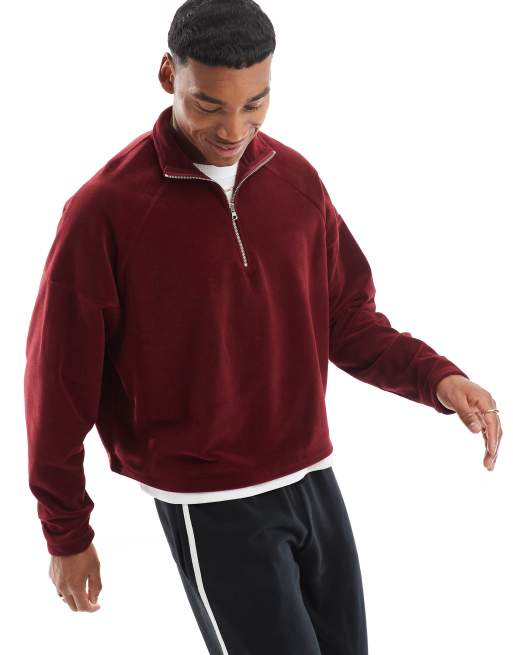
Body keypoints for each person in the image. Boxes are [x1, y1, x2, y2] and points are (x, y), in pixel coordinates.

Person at [24, 0, 502, 652]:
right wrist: (66, 531)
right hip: (211, 501)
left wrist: (438, 379)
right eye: (209, 105)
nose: (233, 128)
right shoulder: (103, 212)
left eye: (255, 103)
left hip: (312, 476)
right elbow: (57, 383)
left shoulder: (295, 180)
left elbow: (344, 318)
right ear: (168, 75)